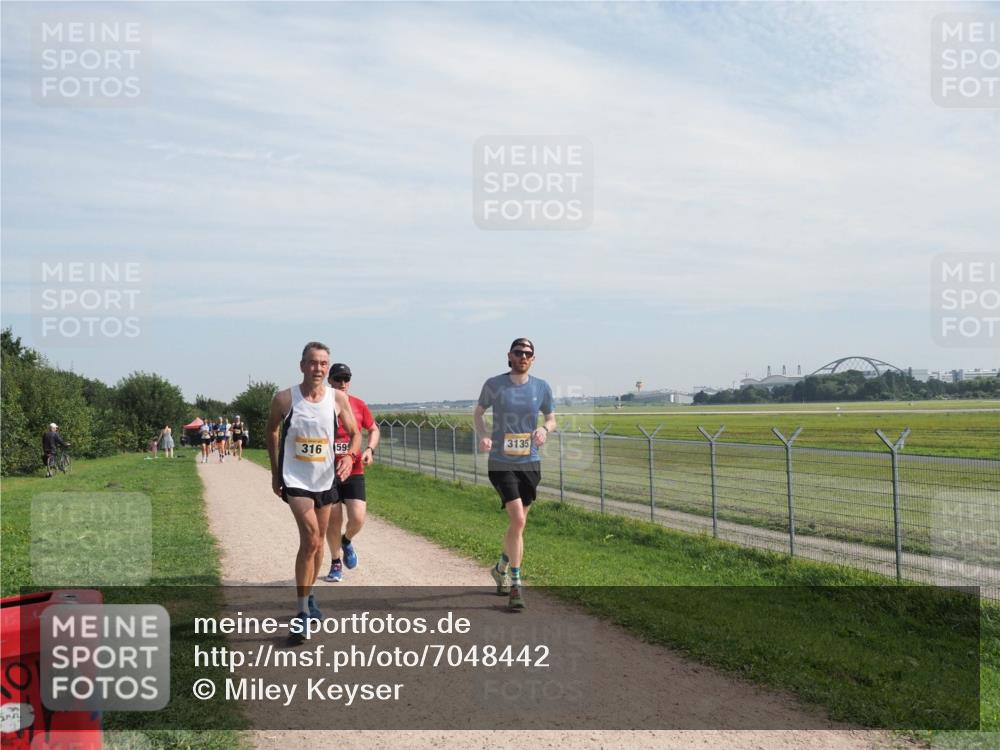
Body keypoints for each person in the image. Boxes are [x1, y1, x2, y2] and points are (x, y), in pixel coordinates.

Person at [266, 342, 360, 642]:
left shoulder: (338, 398)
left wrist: (348, 456)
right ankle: (302, 613)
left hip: (325, 480)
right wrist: (275, 470)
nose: (318, 368)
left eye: (323, 363)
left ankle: (309, 595)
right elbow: (271, 430)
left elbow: (356, 434)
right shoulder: (284, 398)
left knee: (318, 544)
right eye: (313, 362)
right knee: (310, 537)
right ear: (302, 365)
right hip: (296, 479)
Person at [473, 337, 555, 610]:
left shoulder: (541, 387)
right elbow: (478, 412)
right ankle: (516, 584)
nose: (523, 356)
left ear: (533, 358)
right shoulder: (494, 384)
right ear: (509, 355)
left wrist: (545, 429)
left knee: (518, 525)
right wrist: (484, 435)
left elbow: (551, 418)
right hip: (501, 461)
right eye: (518, 352)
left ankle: (500, 567)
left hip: (530, 462)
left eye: (528, 353)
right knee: (518, 519)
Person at [322, 363, 380, 582]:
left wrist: (369, 449)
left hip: (354, 468)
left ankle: (346, 541)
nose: (343, 383)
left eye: (346, 379)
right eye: (338, 379)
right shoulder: (320, 404)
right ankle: (336, 562)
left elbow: (373, 429)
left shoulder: (358, 404)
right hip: (328, 472)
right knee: (334, 519)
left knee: (357, 517)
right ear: (330, 381)